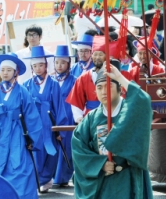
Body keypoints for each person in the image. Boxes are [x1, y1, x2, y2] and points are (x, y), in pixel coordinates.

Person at [72, 60, 153, 199]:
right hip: (104, 180)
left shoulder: (129, 111)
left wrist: (120, 78)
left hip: (128, 179)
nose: (104, 92)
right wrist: (100, 164)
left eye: (108, 86)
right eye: (99, 87)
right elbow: (78, 148)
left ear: (120, 88)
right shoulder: (91, 118)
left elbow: (144, 101)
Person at [23, 46, 68, 193]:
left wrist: (60, 128)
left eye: (40, 65)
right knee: (36, 152)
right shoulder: (27, 85)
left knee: (50, 152)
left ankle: (46, 179)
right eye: (34, 66)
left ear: (46, 65)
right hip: (34, 124)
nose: (38, 68)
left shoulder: (54, 84)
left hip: (49, 122)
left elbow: (60, 107)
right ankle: (37, 180)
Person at [0, 53, 42, 199]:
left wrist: (32, 139)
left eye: (9, 70)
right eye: (2, 69)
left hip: (18, 134)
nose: (5, 73)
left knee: (20, 168)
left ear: (15, 72)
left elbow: (32, 116)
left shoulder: (23, 91)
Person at [67, 36, 114, 123]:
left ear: (106, 56)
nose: (97, 57)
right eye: (95, 54)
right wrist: (78, 117)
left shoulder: (114, 75)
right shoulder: (83, 77)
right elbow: (76, 99)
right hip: (90, 117)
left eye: (100, 54)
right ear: (91, 55)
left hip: (111, 115)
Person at [52, 45, 77, 187]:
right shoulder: (50, 80)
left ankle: (63, 177)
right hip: (53, 116)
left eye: (62, 62)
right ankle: (53, 176)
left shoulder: (75, 80)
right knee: (54, 146)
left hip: (68, 116)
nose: (59, 66)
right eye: (57, 62)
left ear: (68, 64)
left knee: (66, 147)